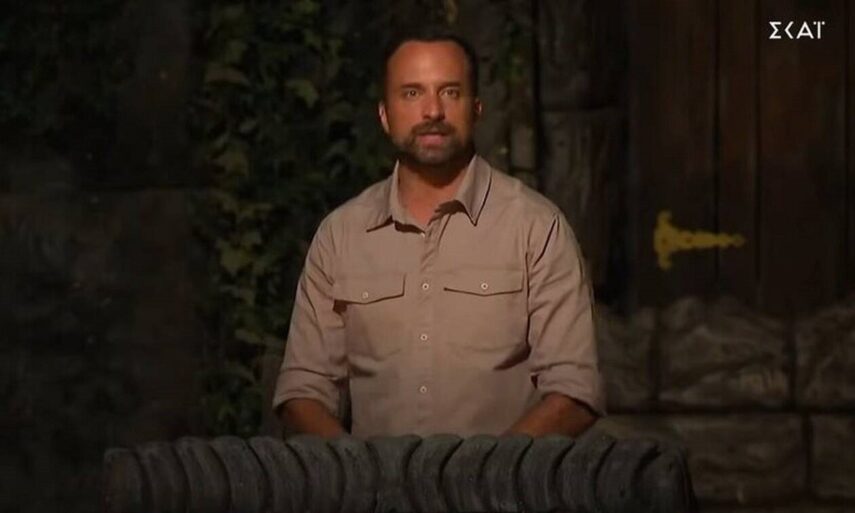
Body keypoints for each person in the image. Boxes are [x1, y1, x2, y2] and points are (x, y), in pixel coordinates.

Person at [272, 25, 604, 439]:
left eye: (450, 92)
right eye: (412, 93)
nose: (432, 111)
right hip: (372, 481)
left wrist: (487, 470)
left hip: (502, 481)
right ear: (384, 115)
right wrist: (357, 471)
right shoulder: (341, 235)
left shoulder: (537, 228)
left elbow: (574, 392)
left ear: (476, 109)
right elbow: (303, 390)